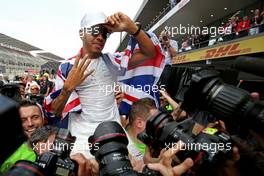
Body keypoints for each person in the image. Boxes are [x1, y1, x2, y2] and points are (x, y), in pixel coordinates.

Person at [45, 11, 156, 159]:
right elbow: (54, 112)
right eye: (95, 31)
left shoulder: (111, 61)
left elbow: (149, 53)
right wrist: (67, 88)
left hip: (114, 132)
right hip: (83, 139)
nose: (100, 37)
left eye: (105, 33)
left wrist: (131, 28)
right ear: (81, 33)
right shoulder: (67, 67)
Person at [0, 100, 45, 173]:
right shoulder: (6, 149)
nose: (30, 124)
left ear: (43, 119)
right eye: (23, 120)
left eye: (35, 117)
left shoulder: (61, 146)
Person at [157, 29, 178, 96]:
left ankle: (165, 101)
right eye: (161, 35)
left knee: (165, 86)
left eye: (165, 36)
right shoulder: (158, 44)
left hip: (167, 67)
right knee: (156, 85)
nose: (163, 37)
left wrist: (168, 45)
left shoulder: (173, 42)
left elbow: (174, 55)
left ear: (169, 36)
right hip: (158, 67)